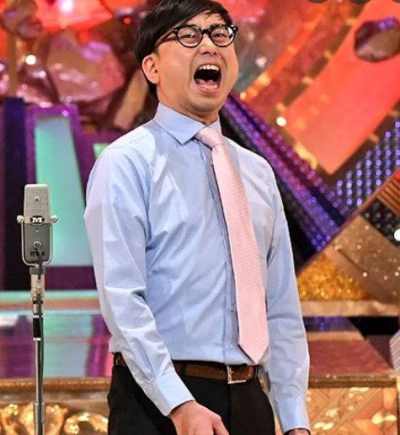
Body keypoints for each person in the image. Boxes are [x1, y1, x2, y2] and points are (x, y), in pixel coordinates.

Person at [84, 0, 310, 434]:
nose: (209, 46)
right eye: (188, 36)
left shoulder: (256, 171)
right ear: (152, 67)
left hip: (250, 396)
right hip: (160, 402)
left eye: (220, 34)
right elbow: (122, 299)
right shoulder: (127, 162)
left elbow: (280, 304)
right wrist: (179, 404)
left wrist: (294, 418)